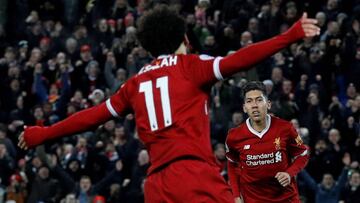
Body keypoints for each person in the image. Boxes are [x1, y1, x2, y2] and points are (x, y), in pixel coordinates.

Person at [18, 5, 320, 202]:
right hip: (194, 176)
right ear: (184, 38)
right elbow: (239, 60)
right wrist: (290, 35)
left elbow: (91, 117)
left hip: (157, 186)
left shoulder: (133, 84)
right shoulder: (190, 65)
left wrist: (43, 133)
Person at [226, 81, 310, 203]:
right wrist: (236, 196)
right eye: (249, 101)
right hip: (253, 199)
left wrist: (289, 174)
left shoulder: (285, 128)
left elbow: (302, 155)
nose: (254, 105)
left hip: (286, 199)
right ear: (244, 108)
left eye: (259, 100)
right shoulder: (234, 136)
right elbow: (232, 165)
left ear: (268, 104)